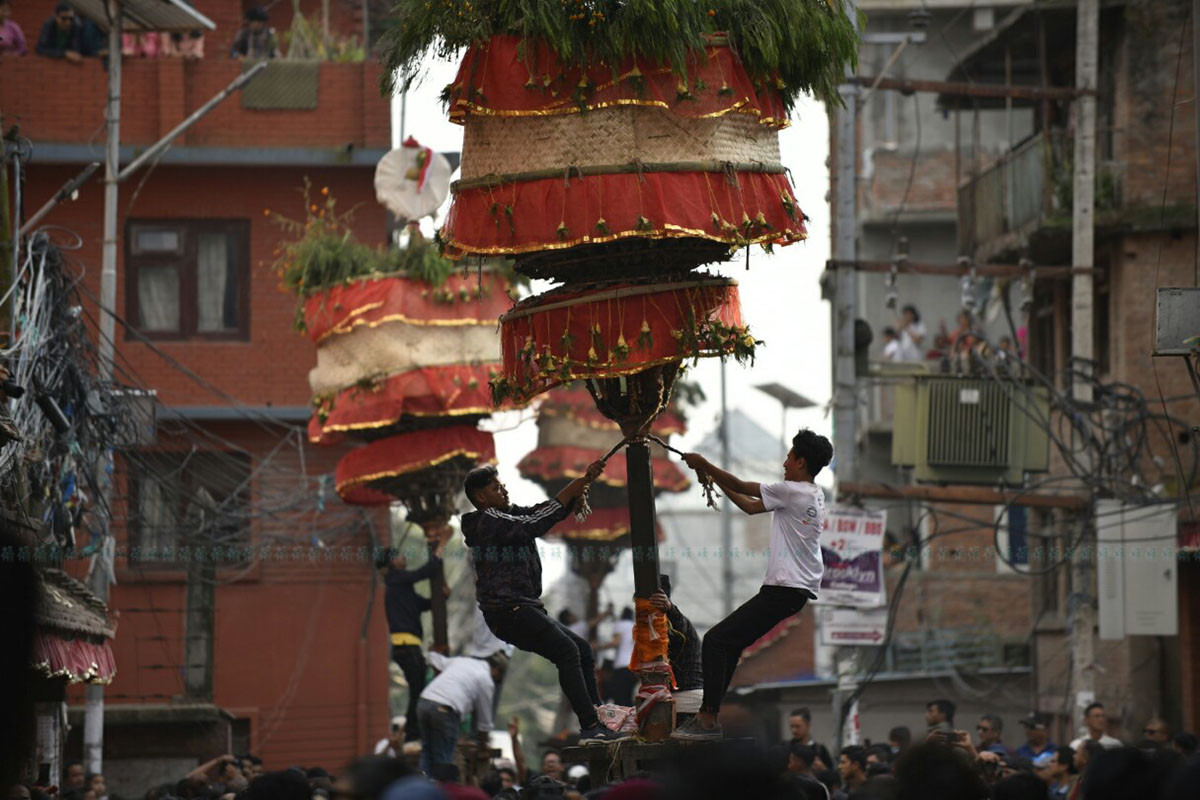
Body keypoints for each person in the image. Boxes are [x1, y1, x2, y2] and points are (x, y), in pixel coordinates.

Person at [672, 429, 832, 740]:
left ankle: (707, 718)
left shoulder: (793, 491)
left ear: (800, 461)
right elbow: (749, 505)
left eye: (789, 457)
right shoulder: (814, 494)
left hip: (784, 588)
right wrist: (712, 478)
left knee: (716, 641)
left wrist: (704, 464)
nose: (784, 462)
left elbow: (742, 486)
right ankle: (709, 716)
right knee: (728, 645)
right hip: (791, 591)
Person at [461, 462, 625, 744]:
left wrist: (581, 483)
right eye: (495, 488)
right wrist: (573, 487)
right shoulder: (489, 522)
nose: (503, 490)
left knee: (582, 650)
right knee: (567, 651)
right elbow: (534, 523)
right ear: (481, 499)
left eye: (501, 484)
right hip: (509, 610)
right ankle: (589, 725)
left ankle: (600, 718)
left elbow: (542, 512)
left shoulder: (508, 516)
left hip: (524, 608)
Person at [378, 525, 452, 744]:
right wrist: (443, 545)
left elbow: (422, 604)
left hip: (408, 645)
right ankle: (411, 733)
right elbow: (426, 571)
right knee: (418, 688)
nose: (403, 557)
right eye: (399, 556)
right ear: (392, 563)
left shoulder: (400, 586)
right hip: (406, 645)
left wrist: (442, 597)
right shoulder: (396, 579)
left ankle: (412, 731)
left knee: (418, 688)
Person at [417, 649, 507, 775]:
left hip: (424, 702)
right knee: (443, 757)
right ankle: (439, 788)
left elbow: (433, 657)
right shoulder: (485, 679)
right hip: (445, 709)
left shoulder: (461, 661)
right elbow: (484, 721)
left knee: (427, 750)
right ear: (497, 670)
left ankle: (423, 781)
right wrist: (483, 743)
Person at [647, 576, 702, 720]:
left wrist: (670, 608)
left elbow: (678, 622)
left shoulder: (675, 622)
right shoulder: (653, 628)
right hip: (676, 701)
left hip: (686, 701)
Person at [606, 607, 636, 705]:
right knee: (628, 698)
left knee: (619, 698)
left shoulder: (620, 624)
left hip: (622, 666)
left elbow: (616, 642)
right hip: (634, 667)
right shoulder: (635, 626)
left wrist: (599, 646)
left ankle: (622, 719)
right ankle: (631, 719)